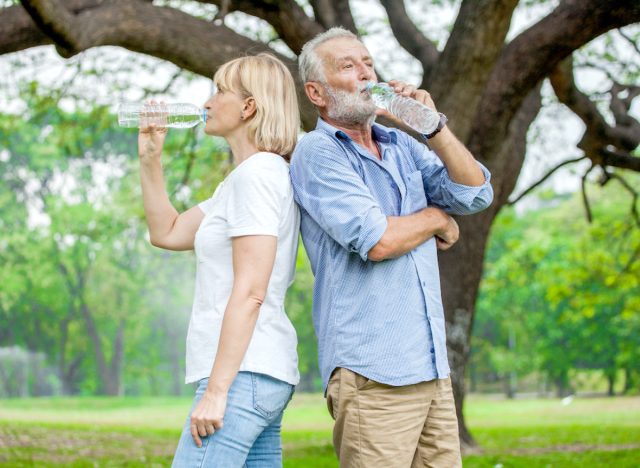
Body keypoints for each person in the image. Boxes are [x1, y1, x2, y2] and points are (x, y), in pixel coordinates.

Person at [290, 28, 494, 467]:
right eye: (348, 66)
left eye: (368, 63)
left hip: (431, 368)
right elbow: (378, 240)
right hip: (371, 373)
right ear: (316, 93)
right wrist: (436, 219)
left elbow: (475, 194)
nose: (366, 74)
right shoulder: (317, 153)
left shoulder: (401, 144)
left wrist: (433, 128)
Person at [137, 53, 301, 467]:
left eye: (220, 91)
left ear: (249, 106)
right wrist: (150, 159)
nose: (207, 103)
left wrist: (217, 390)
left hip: (242, 375)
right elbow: (168, 232)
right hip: (258, 375)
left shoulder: (257, 176)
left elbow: (250, 292)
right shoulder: (243, 180)